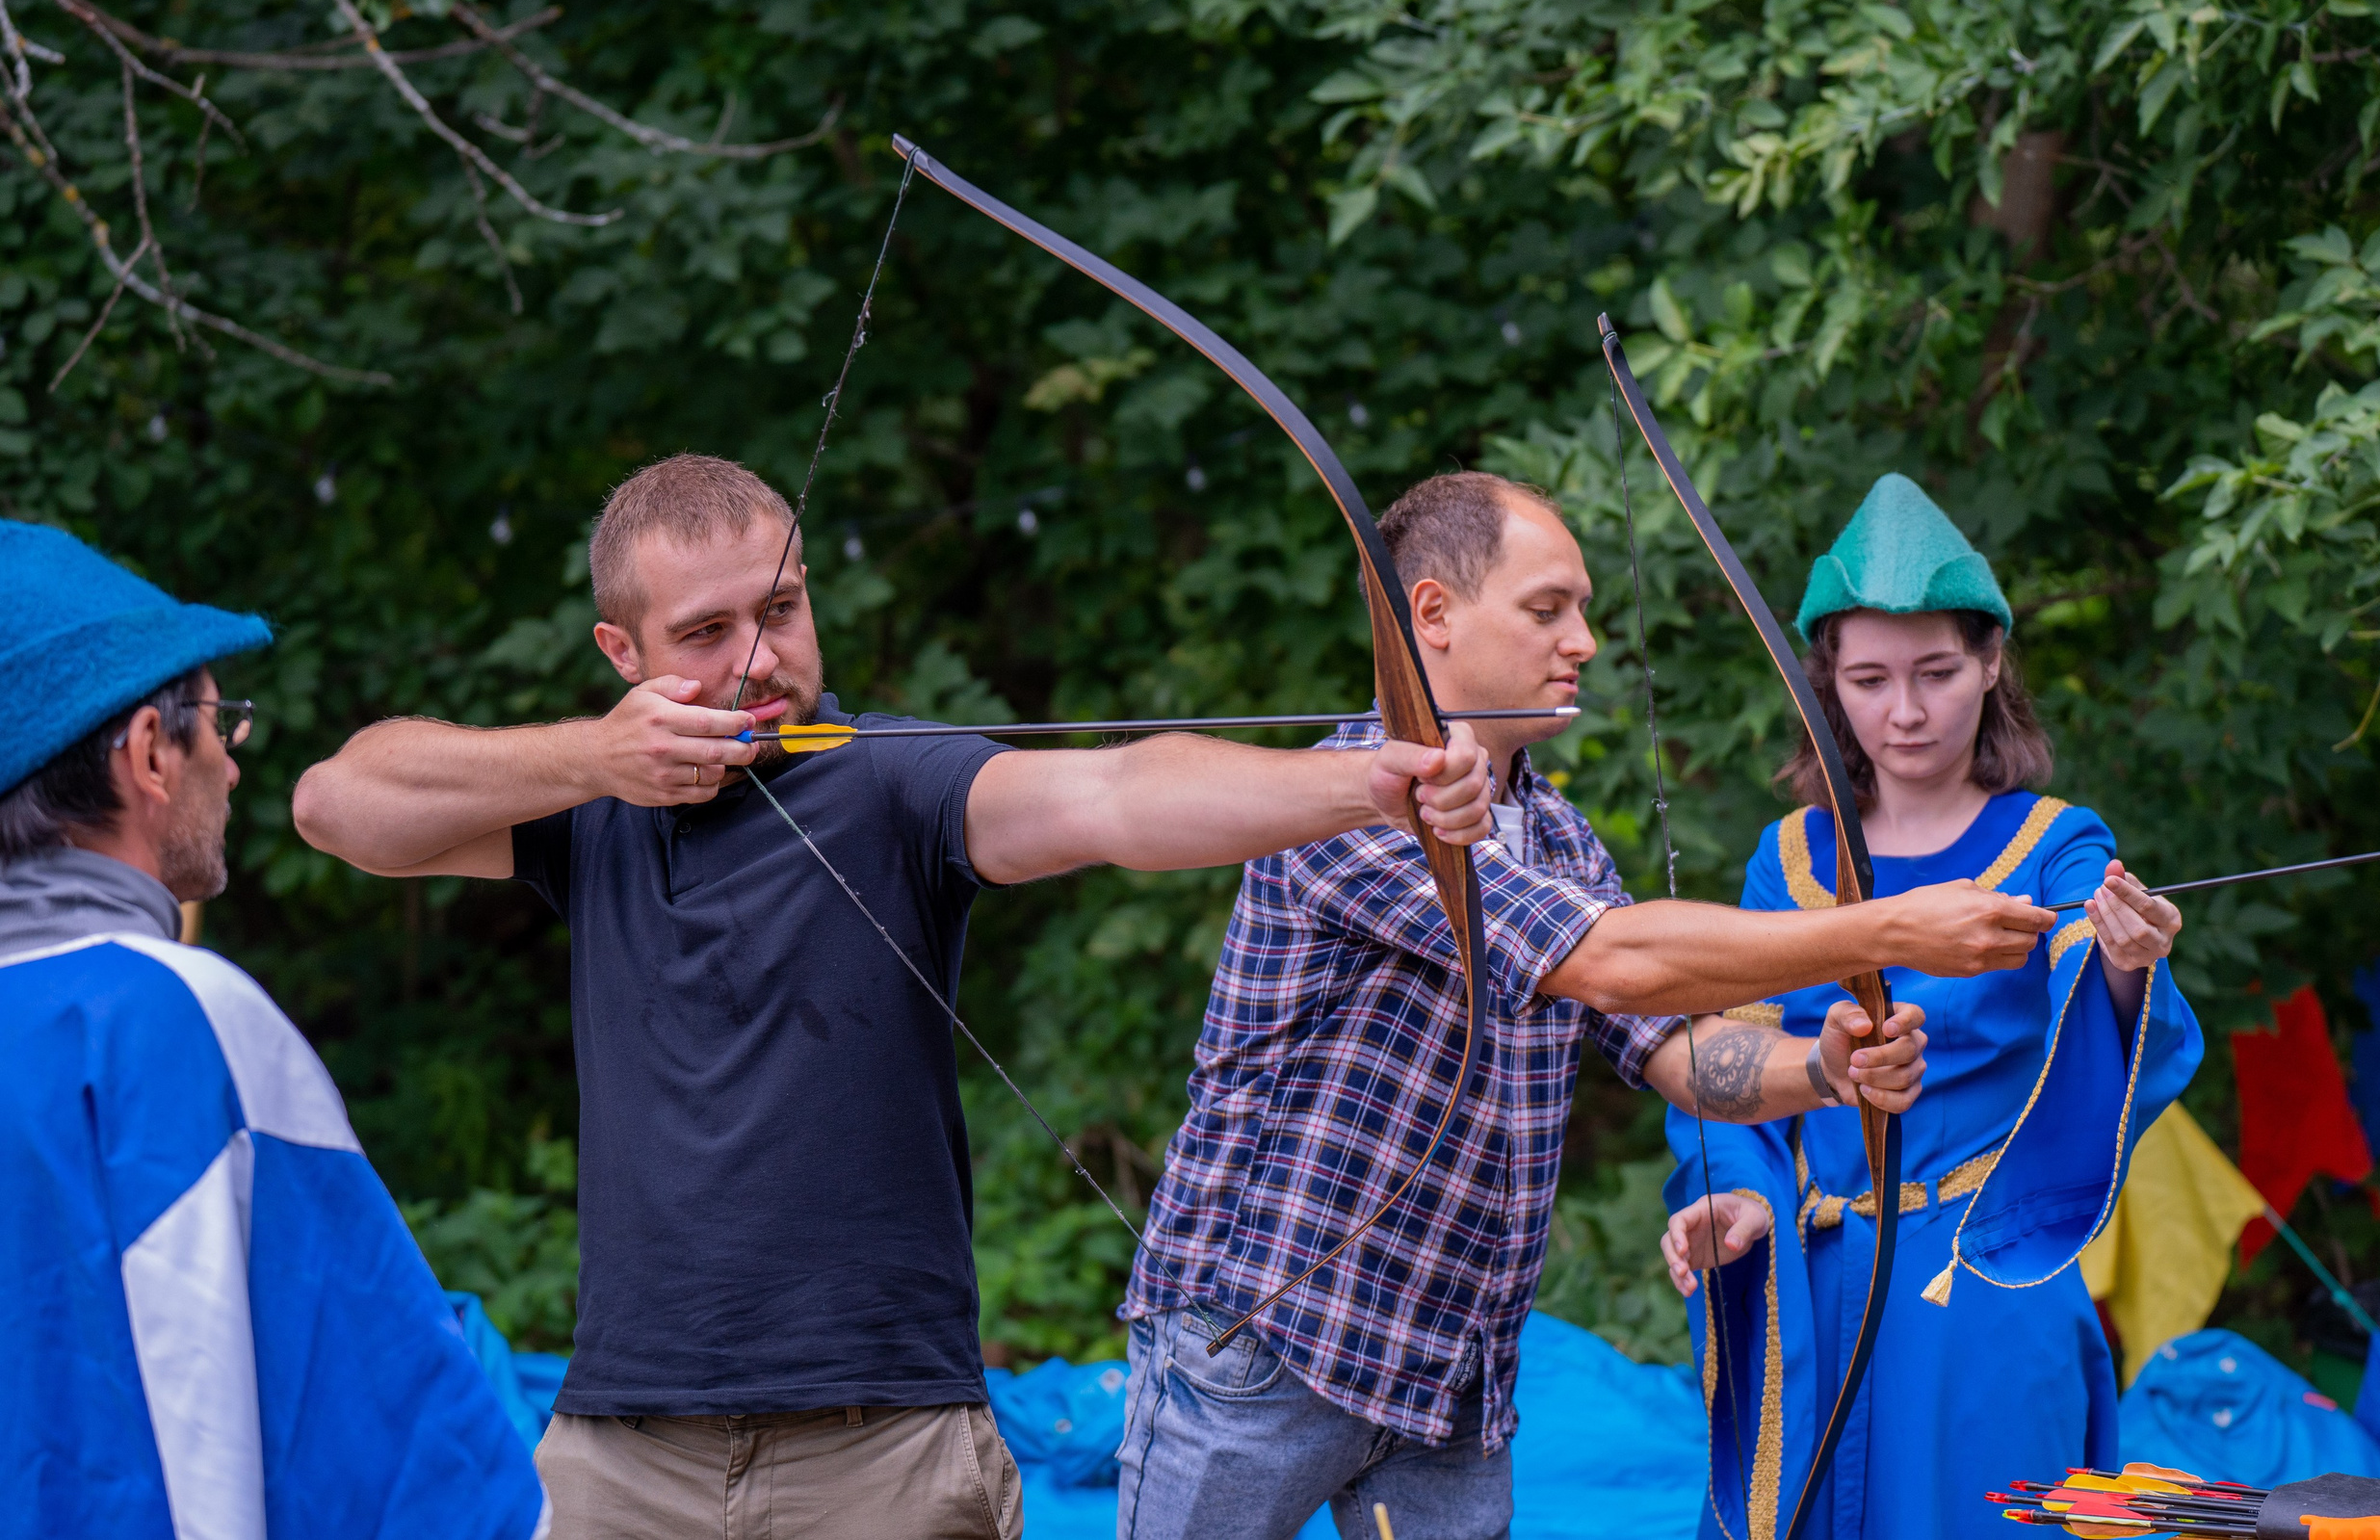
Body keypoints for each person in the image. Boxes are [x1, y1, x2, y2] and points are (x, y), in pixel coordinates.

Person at [288, 453, 1500, 1540]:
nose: (757, 660)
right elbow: (336, 804)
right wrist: (587, 759)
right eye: (704, 633)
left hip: (884, 1454)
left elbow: (1115, 797)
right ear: (624, 655)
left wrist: (1361, 788)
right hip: (623, 1454)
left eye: (780, 608)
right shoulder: (591, 810)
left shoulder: (894, 784)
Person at [1113, 472, 2063, 1540]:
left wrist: (1824, 1072)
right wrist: (1885, 929)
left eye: (1586, 610)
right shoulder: (1350, 805)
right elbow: (1609, 963)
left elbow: (1672, 1051)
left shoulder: (1558, 838)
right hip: (1271, 1348)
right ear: (1431, 613)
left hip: (1448, 1374)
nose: (1585, 641)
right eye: (1546, 608)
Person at [1656, 473, 2200, 1540]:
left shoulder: (2053, 842)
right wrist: (1739, 1197)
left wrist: (2129, 960)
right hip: (1812, 1289)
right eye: (1867, 679)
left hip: (1982, 1282)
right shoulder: (1789, 856)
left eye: (1937, 672)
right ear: (1827, 685)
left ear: (1992, 662)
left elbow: (2101, 1003)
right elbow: (1737, 1060)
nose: (1903, 712)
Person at [0, 520, 547, 1540]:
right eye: (221, 720)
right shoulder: (172, 1023)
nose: (235, 766)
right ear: (150, 752)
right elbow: (420, 1482)